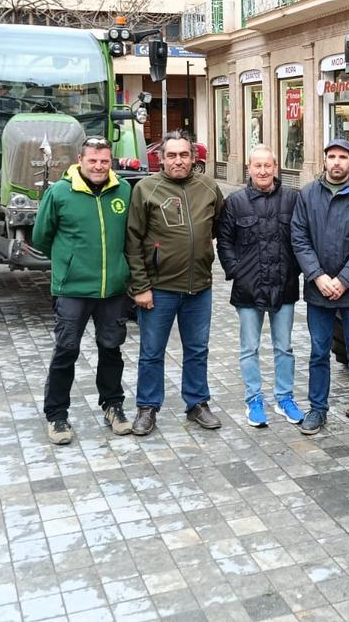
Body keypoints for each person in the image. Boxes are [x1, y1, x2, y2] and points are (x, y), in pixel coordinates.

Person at [33, 136, 134, 445]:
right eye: (93, 160)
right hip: (73, 290)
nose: (99, 166)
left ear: (111, 162)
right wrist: (69, 262)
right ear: (81, 160)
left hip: (112, 290)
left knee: (111, 349)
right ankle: (57, 415)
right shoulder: (60, 193)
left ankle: (112, 405)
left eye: (104, 161)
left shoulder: (124, 191)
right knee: (66, 351)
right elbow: (41, 237)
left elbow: (130, 236)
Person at [126, 130, 226, 436]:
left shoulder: (208, 186)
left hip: (200, 287)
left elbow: (219, 224)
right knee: (152, 351)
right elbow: (133, 240)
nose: (178, 161)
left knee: (197, 349)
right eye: (172, 155)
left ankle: (197, 402)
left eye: (184, 155)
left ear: (193, 158)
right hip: (160, 288)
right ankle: (147, 407)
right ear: (161, 158)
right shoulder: (146, 189)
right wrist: (140, 286)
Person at [291, 138, 349, 439]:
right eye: (332, 156)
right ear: (325, 160)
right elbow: (299, 239)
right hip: (318, 290)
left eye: (343, 157)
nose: (337, 162)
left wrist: (343, 280)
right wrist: (317, 276)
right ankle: (317, 408)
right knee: (318, 352)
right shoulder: (307, 195)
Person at [217, 145, 304, 427]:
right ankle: (254, 399)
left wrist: (296, 270)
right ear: (249, 169)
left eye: (268, 166)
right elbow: (225, 241)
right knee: (249, 348)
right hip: (248, 288)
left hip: (284, 285)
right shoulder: (235, 201)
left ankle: (285, 398)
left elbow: (302, 238)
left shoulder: (293, 198)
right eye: (258, 166)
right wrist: (236, 272)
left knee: (284, 348)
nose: (263, 171)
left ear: (276, 167)